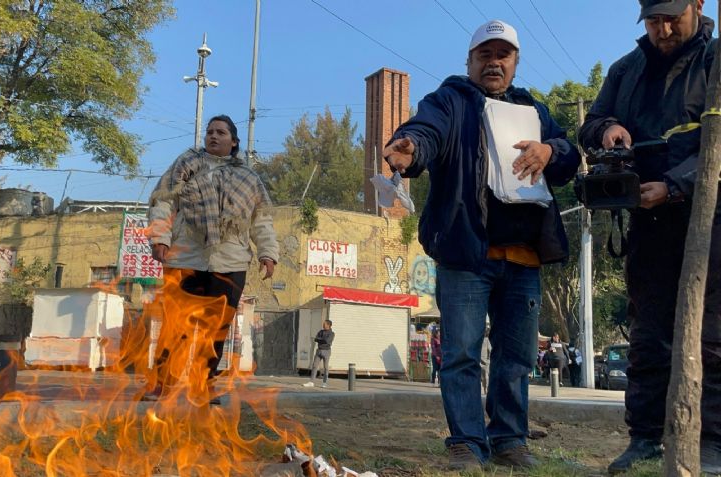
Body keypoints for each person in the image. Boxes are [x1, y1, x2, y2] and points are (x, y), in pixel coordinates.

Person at [383, 20, 580, 471]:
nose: (494, 62)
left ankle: (510, 440)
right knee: (462, 355)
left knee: (517, 358)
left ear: (514, 63)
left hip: (525, 258)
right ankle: (467, 444)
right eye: (484, 55)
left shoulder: (534, 108)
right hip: (466, 257)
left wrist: (551, 150)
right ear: (469, 62)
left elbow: (567, 155)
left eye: (503, 55)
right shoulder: (450, 101)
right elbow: (426, 131)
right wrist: (412, 147)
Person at [578, 0, 720, 473]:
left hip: (708, 218)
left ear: (699, 5)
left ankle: (713, 443)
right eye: (653, 19)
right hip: (647, 218)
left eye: (671, 18)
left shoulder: (717, 60)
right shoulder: (626, 70)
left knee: (712, 335)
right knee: (647, 333)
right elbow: (590, 125)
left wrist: (678, 185)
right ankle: (644, 438)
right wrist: (609, 128)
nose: (662, 29)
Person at [145, 115, 279, 403]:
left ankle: (203, 384)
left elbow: (262, 219)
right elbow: (163, 202)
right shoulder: (185, 165)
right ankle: (161, 384)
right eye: (209, 132)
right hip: (185, 258)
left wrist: (268, 253)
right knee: (176, 326)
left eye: (220, 132)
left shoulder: (249, 179)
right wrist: (160, 238)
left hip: (230, 262)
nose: (212, 136)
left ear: (233, 141)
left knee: (216, 329)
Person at [304, 320, 335, 388]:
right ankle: (311, 382)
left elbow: (327, 341)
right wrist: (321, 339)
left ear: (328, 325)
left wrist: (320, 339)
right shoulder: (321, 331)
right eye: (323, 324)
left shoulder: (331, 333)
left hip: (326, 351)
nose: (323, 325)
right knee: (314, 366)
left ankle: (324, 382)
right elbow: (316, 339)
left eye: (325, 324)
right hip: (319, 350)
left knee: (326, 367)